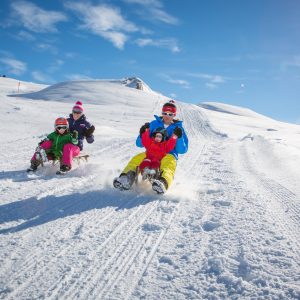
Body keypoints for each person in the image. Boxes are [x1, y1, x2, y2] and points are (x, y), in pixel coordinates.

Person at [113, 100, 188, 194]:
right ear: (162, 113)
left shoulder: (178, 128)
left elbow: (182, 150)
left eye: (170, 114)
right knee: (136, 159)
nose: (167, 116)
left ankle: (162, 182)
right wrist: (142, 133)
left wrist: (179, 137)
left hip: (168, 153)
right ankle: (126, 178)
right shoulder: (154, 124)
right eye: (165, 113)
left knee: (168, 165)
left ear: (174, 115)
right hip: (151, 152)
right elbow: (139, 144)